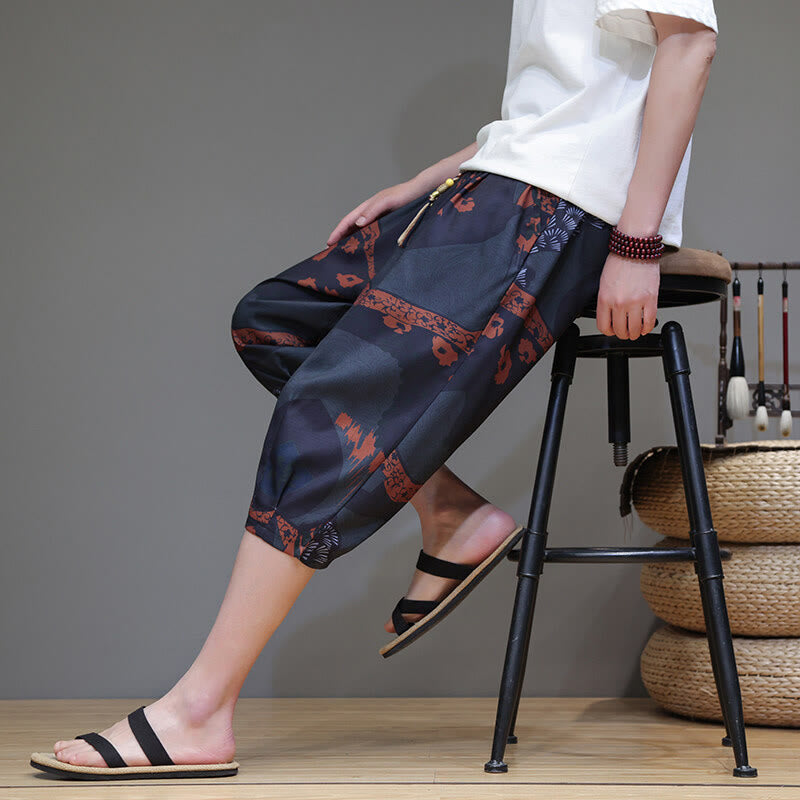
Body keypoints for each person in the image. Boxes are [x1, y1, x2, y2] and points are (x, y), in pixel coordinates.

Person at [34, 0, 718, 779]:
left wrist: (636, 241)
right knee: (273, 322)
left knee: (326, 410)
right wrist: (430, 181)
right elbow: (563, 105)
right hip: (499, 183)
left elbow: (689, 45)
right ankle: (451, 513)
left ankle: (198, 711)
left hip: (558, 207)